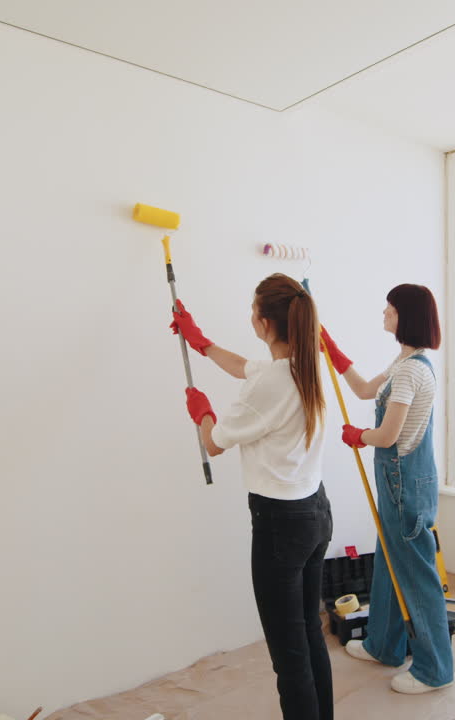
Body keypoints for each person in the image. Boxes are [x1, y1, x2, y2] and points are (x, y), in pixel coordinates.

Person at [170, 273, 334, 720]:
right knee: (309, 636)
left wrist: (201, 412)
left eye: (252, 309)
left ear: (264, 322)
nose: (250, 316)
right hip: (316, 513)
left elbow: (215, 442)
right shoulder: (304, 365)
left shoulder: (271, 384)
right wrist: (200, 342)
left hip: (281, 528)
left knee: (289, 655)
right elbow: (245, 366)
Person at [323, 283, 452, 694]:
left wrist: (357, 435)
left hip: (405, 485)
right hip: (403, 482)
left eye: (390, 309)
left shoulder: (412, 371)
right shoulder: (405, 361)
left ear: (405, 316)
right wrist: (332, 351)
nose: (384, 313)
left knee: (415, 575)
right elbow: (364, 390)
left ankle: (435, 670)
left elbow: (388, 435)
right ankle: (384, 645)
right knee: (390, 565)